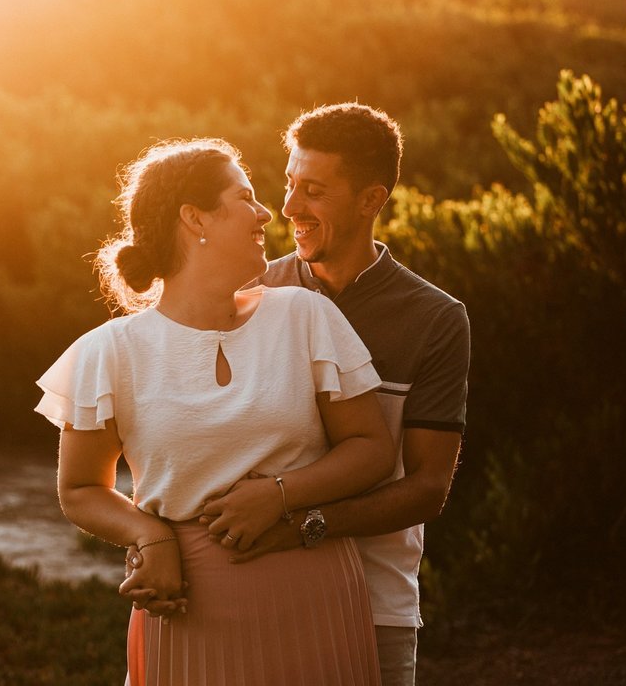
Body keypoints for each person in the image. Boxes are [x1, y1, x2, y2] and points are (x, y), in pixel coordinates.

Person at [35, 138, 395, 685]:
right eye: (245, 197)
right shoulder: (110, 351)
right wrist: (148, 537)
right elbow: (80, 487)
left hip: (315, 601)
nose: (265, 212)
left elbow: (371, 450)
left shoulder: (305, 317)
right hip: (187, 608)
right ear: (194, 217)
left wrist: (278, 495)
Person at [200, 104, 469, 686]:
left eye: (314, 190)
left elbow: (426, 488)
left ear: (372, 199)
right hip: (247, 590)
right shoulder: (245, 294)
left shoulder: (436, 319)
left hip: (376, 606)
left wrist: (302, 522)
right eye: (290, 183)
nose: (290, 206)